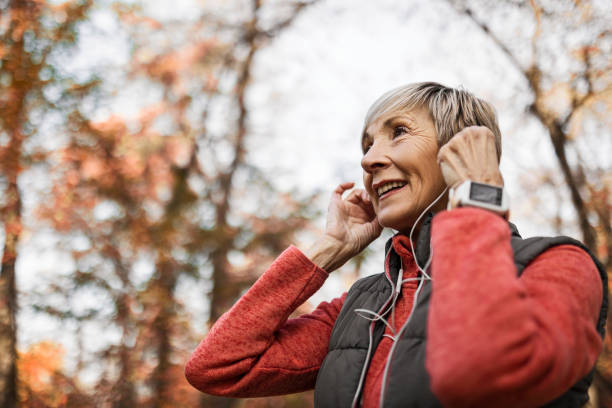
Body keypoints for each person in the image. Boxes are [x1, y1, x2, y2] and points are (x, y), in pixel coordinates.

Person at [184, 82, 607, 407]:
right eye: (367, 146)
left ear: (459, 150)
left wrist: (476, 200)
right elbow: (218, 367)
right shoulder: (362, 304)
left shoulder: (556, 263)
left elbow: (481, 369)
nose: (369, 160)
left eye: (398, 132)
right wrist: (329, 248)